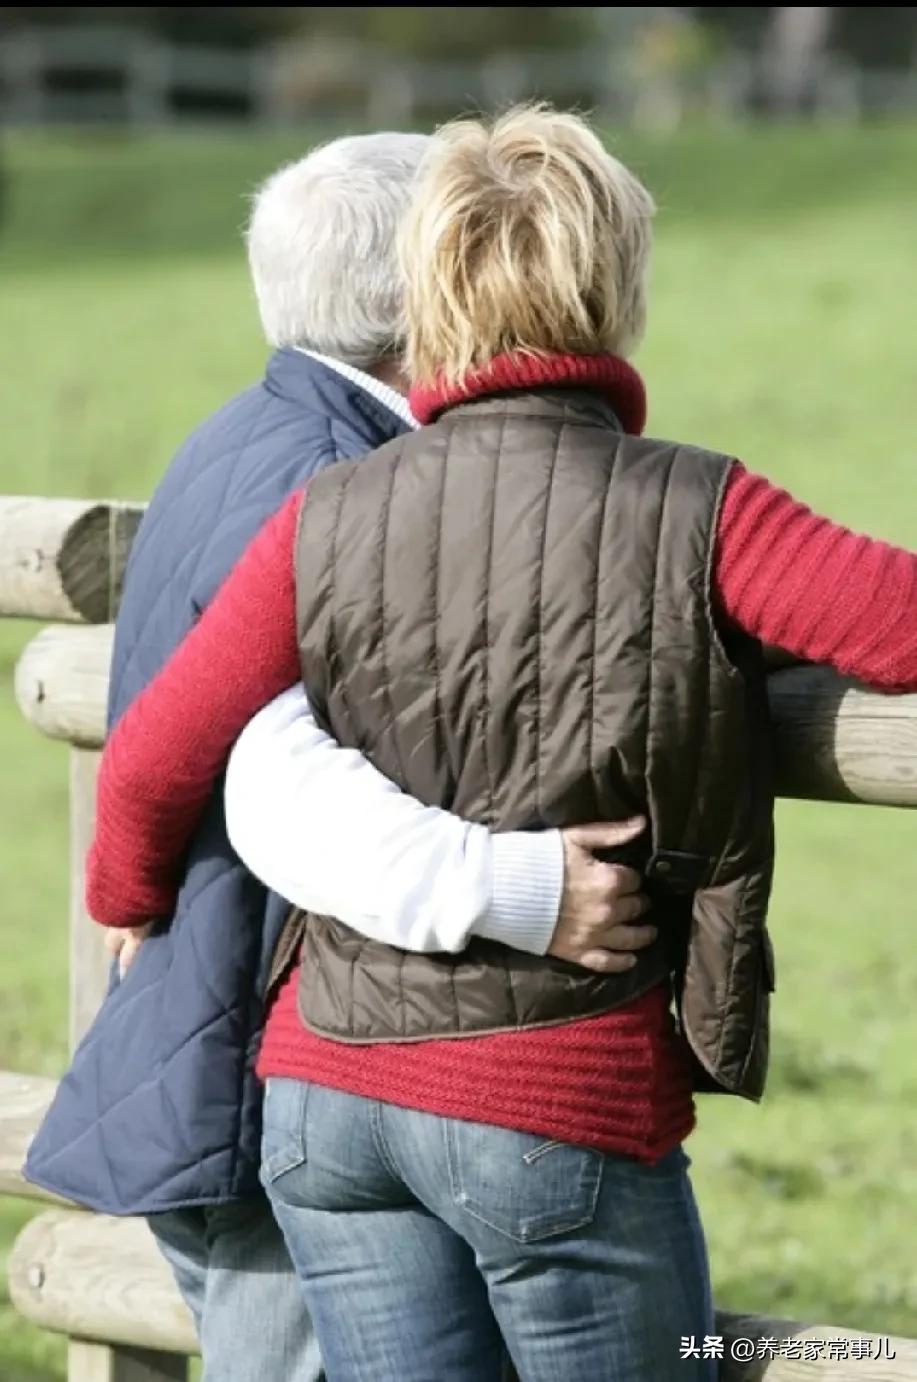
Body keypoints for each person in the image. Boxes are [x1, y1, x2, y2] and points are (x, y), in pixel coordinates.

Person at [81, 105, 917, 1381]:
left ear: (429, 300)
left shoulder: (326, 508)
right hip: (553, 1100)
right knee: (684, 1353)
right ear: (614, 291)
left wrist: (124, 891)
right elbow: (895, 623)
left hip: (329, 1109)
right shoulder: (699, 505)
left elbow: (150, 756)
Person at [26, 129, 653, 1382]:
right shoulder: (349, 479)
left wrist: (124, 878)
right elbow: (278, 777)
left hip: (210, 1045)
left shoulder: (242, 434)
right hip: (264, 1083)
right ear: (429, 283)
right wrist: (528, 889)